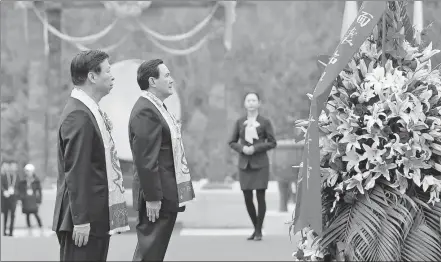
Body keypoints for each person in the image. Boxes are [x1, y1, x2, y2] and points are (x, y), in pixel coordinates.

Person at [52, 50, 129, 261]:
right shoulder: (79, 115)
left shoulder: (88, 110)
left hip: (94, 217)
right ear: (92, 77)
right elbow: (76, 170)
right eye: (108, 71)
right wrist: (81, 220)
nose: (112, 76)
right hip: (83, 222)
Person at [129, 59, 195, 261]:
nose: (171, 80)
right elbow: (146, 159)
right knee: (149, 253)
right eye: (166, 75)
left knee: (152, 253)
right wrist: (153, 198)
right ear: (152, 81)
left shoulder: (158, 108)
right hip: (157, 197)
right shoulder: (146, 111)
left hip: (164, 194)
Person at [228, 92, 277, 241]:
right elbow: (232, 142)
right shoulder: (239, 122)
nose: (251, 103)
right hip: (244, 165)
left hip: (260, 163)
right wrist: (242, 148)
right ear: (244, 103)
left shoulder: (265, 122)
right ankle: (256, 227)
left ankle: (258, 231)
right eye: (248, 100)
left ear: (259, 103)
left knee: (260, 196)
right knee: (247, 197)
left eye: (253, 100)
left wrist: (255, 148)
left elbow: (272, 142)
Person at [18, 164, 43, 230]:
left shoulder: (36, 181)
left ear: (32, 171)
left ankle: (41, 226)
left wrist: (39, 201)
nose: (28, 173)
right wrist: (20, 199)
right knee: (27, 214)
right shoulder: (23, 181)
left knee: (35, 213)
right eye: (26, 171)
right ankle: (29, 227)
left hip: (33, 200)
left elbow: (39, 192)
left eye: (29, 171)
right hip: (26, 200)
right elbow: (20, 191)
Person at [1, 161, 19, 236]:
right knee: (5, 215)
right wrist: (4, 191)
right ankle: (4, 231)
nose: (13, 168)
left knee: (12, 215)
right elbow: (1, 185)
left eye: (15, 166)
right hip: (5, 199)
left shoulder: (17, 176)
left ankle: (11, 232)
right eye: (12, 166)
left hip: (13, 199)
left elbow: (19, 188)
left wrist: (14, 191)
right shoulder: (4, 175)